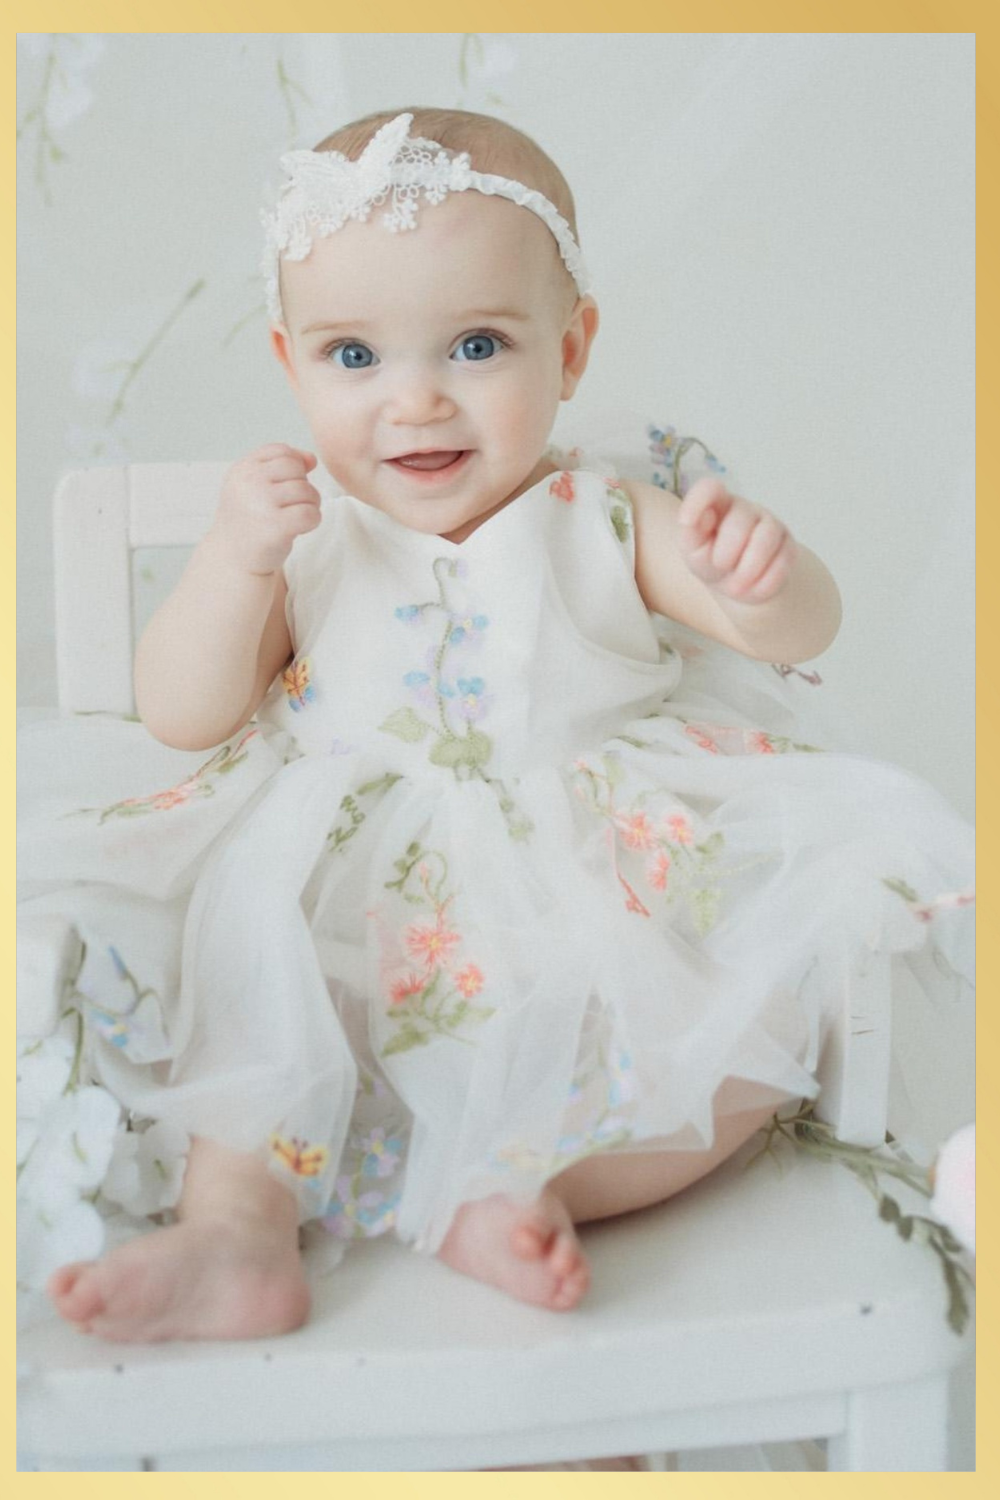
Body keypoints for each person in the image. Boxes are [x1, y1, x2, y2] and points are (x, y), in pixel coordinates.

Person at [19, 108, 973, 1343]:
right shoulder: (302, 536)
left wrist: (758, 579)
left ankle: (518, 1182)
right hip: (351, 896)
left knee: (764, 1015)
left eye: (475, 344)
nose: (414, 401)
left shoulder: (604, 513)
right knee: (249, 995)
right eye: (353, 357)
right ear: (288, 359)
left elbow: (793, 635)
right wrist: (231, 561)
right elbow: (185, 715)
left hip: (597, 884)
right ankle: (237, 1234)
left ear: (569, 351)